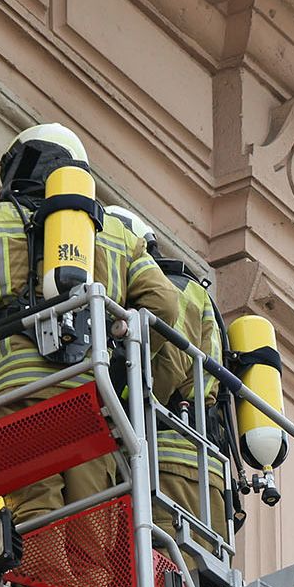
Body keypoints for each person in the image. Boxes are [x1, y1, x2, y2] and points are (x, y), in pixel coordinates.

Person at [0, 124, 193, 527]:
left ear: (21, 165)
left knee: (34, 517)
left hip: (15, 391)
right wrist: (119, 372)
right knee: (90, 528)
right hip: (90, 396)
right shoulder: (117, 234)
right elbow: (167, 306)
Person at [106, 205, 233, 546]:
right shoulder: (181, 289)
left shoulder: (173, 289)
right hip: (188, 470)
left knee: (165, 581)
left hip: (171, 463)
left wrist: (110, 412)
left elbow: (168, 365)